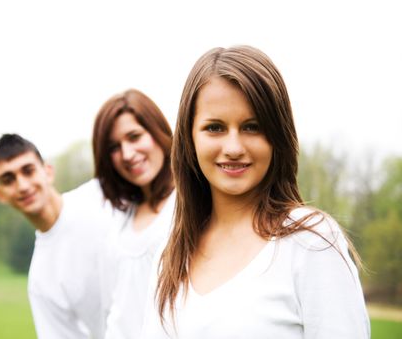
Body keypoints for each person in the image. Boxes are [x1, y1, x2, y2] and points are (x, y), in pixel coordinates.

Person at [140, 46, 370, 338]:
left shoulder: (312, 243)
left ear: (278, 136)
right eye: (215, 127)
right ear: (190, 138)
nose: (234, 148)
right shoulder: (169, 257)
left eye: (252, 127)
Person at [0, 133, 117, 339]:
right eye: (8, 179)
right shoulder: (40, 281)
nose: (22, 185)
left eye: (28, 171)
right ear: (0, 195)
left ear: (48, 172)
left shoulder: (104, 194)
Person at [92, 89, 176, 339]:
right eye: (114, 147)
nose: (128, 154)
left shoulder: (189, 205)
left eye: (134, 136)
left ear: (159, 132)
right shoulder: (120, 217)